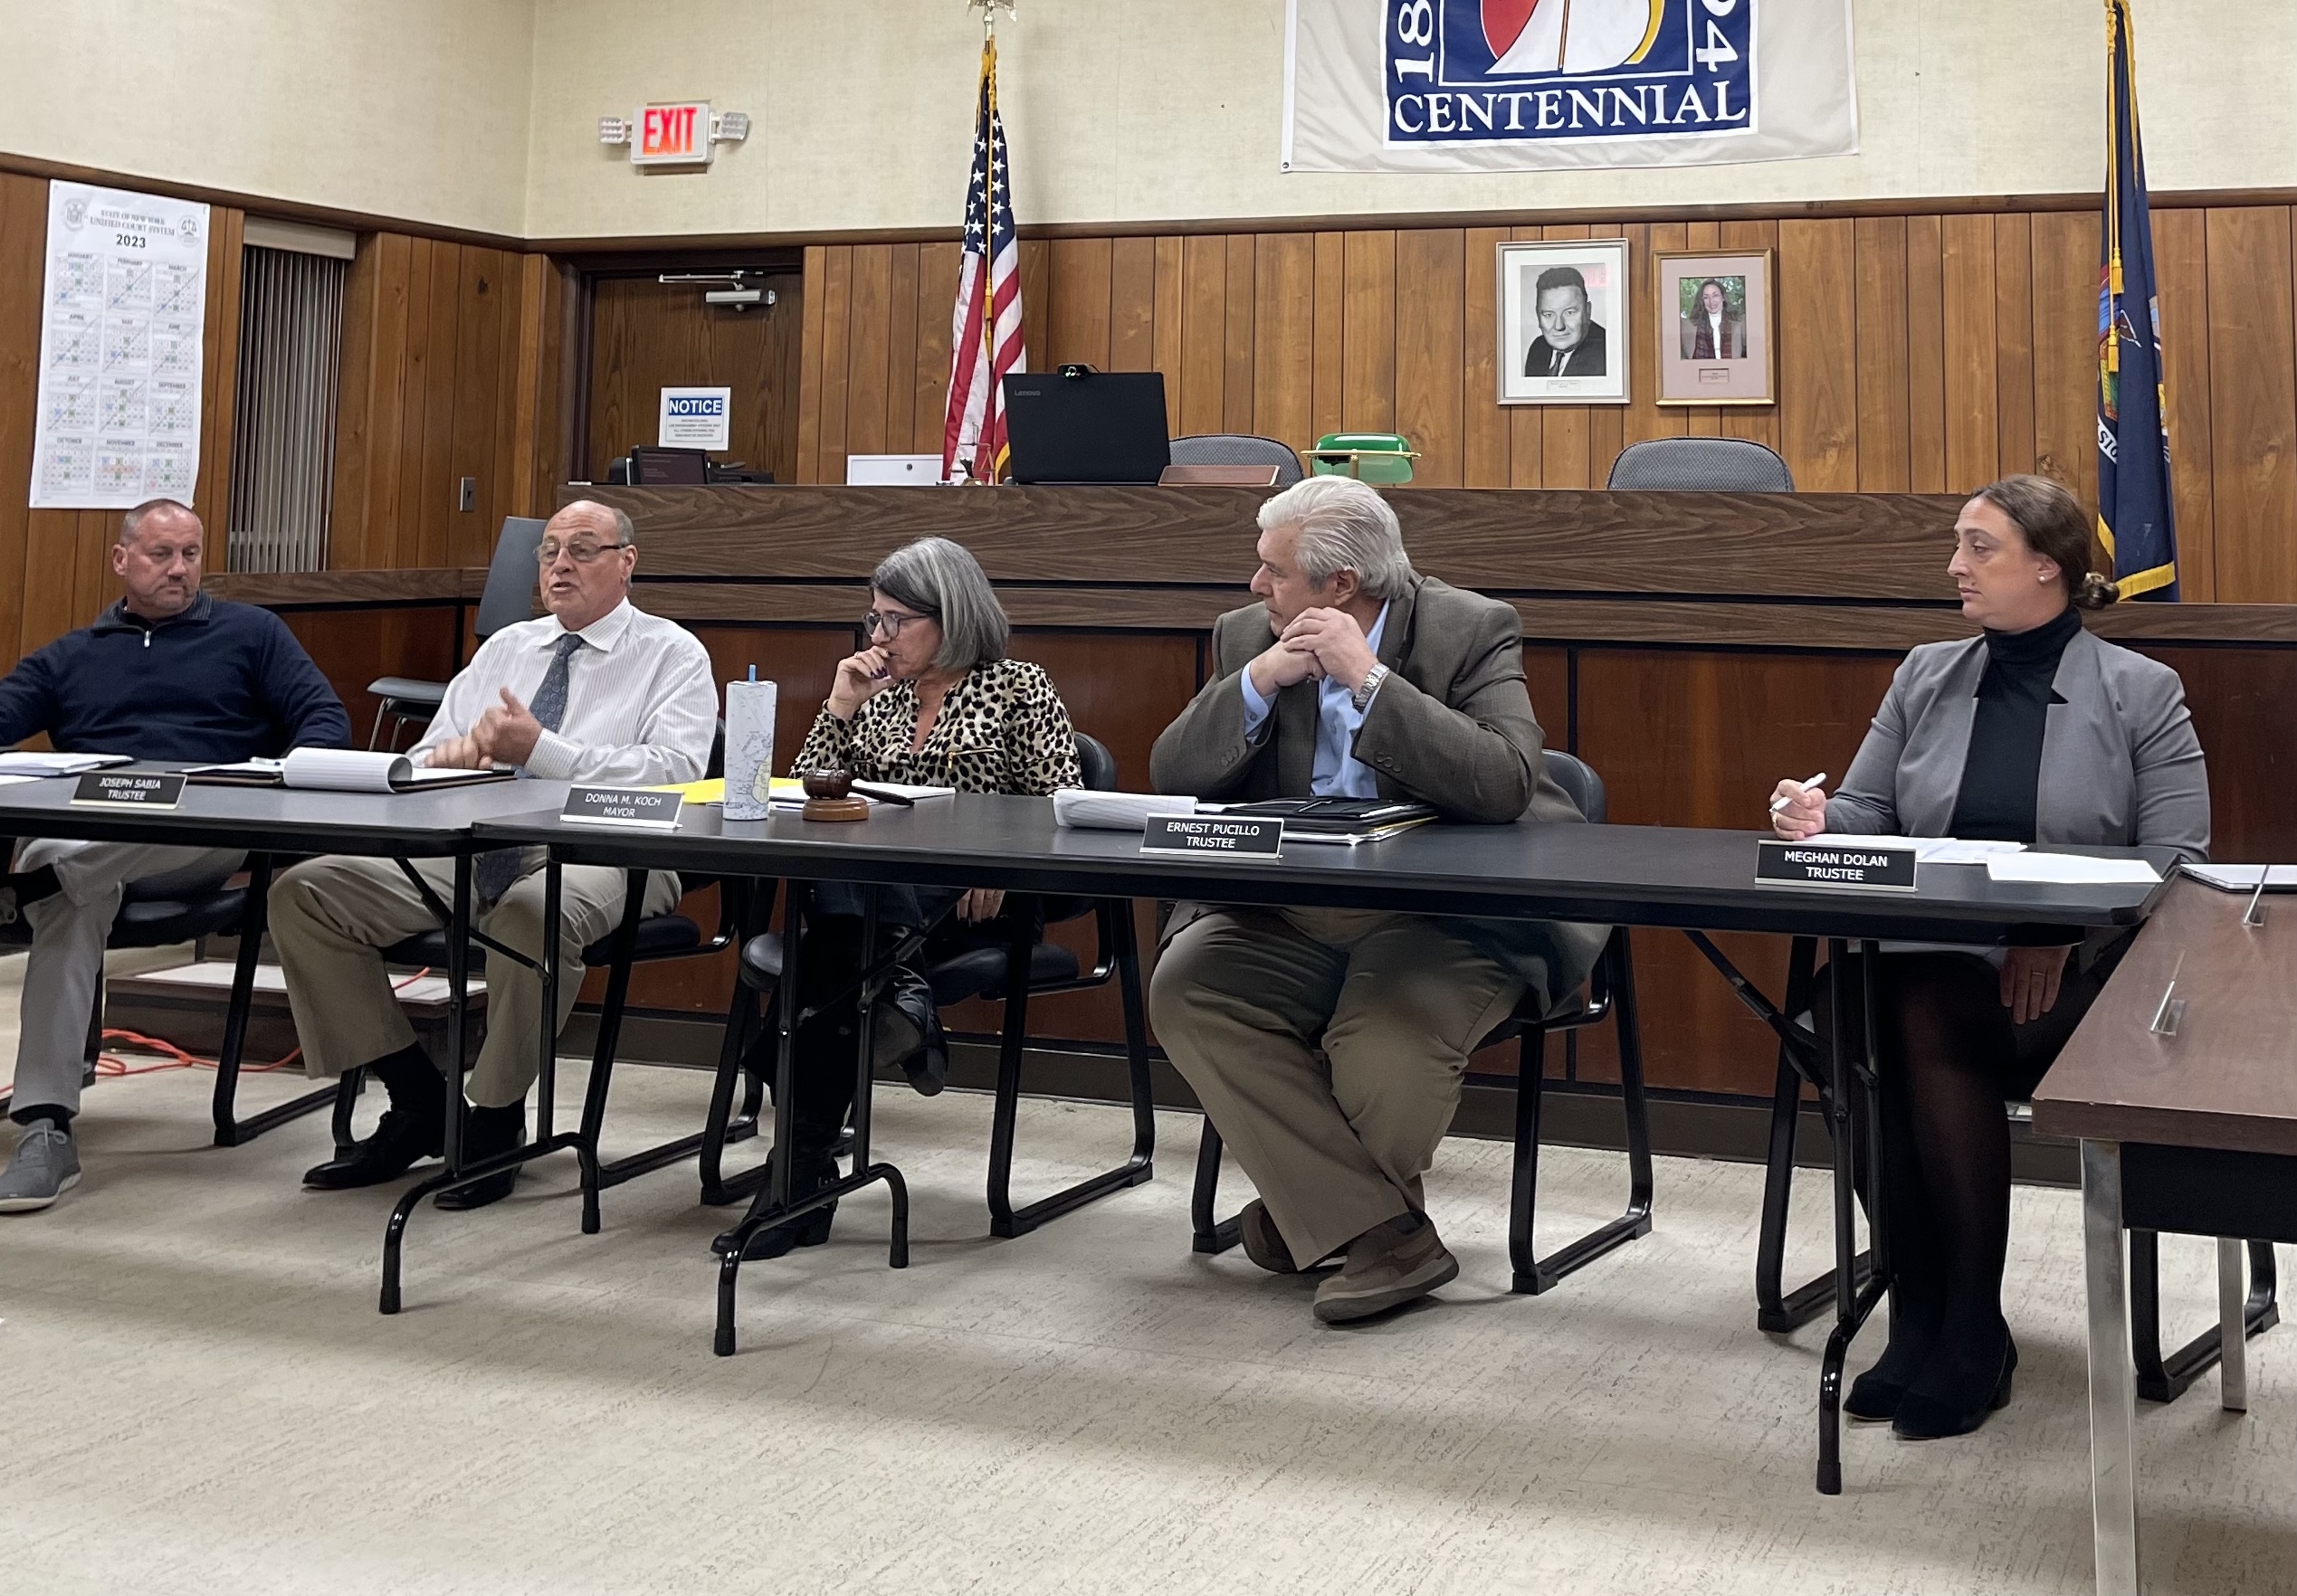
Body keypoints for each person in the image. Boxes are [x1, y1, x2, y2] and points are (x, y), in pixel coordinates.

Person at [1770, 473, 2207, 1439]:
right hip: (1936, 956)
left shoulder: (2143, 692)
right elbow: (1874, 814)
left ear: (2047, 569)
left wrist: (2057, 929)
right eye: (1959, 545)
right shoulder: (1926, 674)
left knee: (1917, 1009)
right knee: (1838, 1009)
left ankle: (1962, 1321)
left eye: (1979, 547)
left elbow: (2181, 863)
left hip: (2087, 975)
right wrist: (1818, 818)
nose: (1955, 565)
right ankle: (1926, 1303)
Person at [1148, 475, 1606, 1325]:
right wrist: (1255, 682)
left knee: (1383, 1042)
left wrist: (1370, 682)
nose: (1256, 587)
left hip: (1445, 913)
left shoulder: (1470, 627)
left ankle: (1315, 1217)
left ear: (1341, 586)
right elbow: (1174, 776)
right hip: (1290, 911)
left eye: (1273, 572)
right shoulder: (1248, 633)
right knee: (1188, 988)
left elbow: (1505, 782)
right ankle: (1387, 1233)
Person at [267, 500, 715, 1210]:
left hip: (614, 852)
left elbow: (676, 773)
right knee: (307, 893)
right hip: (477, 843)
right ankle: (418, 1100)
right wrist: (449, 757)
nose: (560, 565)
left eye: (582, 550)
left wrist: (540, 751)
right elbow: (428, 752)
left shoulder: (672, 653)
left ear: (627, 562)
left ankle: (496, 1118)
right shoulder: (508, 648)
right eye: (549, 552)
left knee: (531, 910)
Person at [733, 535, 1082, 1260]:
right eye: (874, 621)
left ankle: (794, 1181)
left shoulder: (1019, 686)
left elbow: (1064, 807)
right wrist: (837, 707)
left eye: (897, 621)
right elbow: (805, 801)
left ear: (951, 617)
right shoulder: (876, 696)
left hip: (976, 901)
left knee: (827, 956)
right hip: (869, 904)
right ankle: (900, 1000)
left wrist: (999, 859)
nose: (881, 638)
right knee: (841, 937)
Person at [0, 499, 350, 1212]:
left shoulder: (252, 634)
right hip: (86, 846)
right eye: (162, 555)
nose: (179, 570)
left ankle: (22, 887)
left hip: (195, 838)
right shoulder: (75, 653)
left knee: (86, 849)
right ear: (122, 560)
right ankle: (45, 1124)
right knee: (70, 897)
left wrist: (271, 780)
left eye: (190, 554)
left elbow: (325, 721)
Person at [1523, 265, 1608, 379]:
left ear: (1588, 311)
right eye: (1549, 315)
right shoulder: (1538, 348)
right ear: (1538, 315)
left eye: (1569, 313)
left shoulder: (1607, 353)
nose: (1559, 326)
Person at [1678, 278, 1746, 360]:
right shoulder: (1688, 326)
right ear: (1701, 301)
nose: (1711, 301)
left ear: (1723, 297)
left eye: (1715, 295)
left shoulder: (1739, 322)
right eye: (1706, 297)